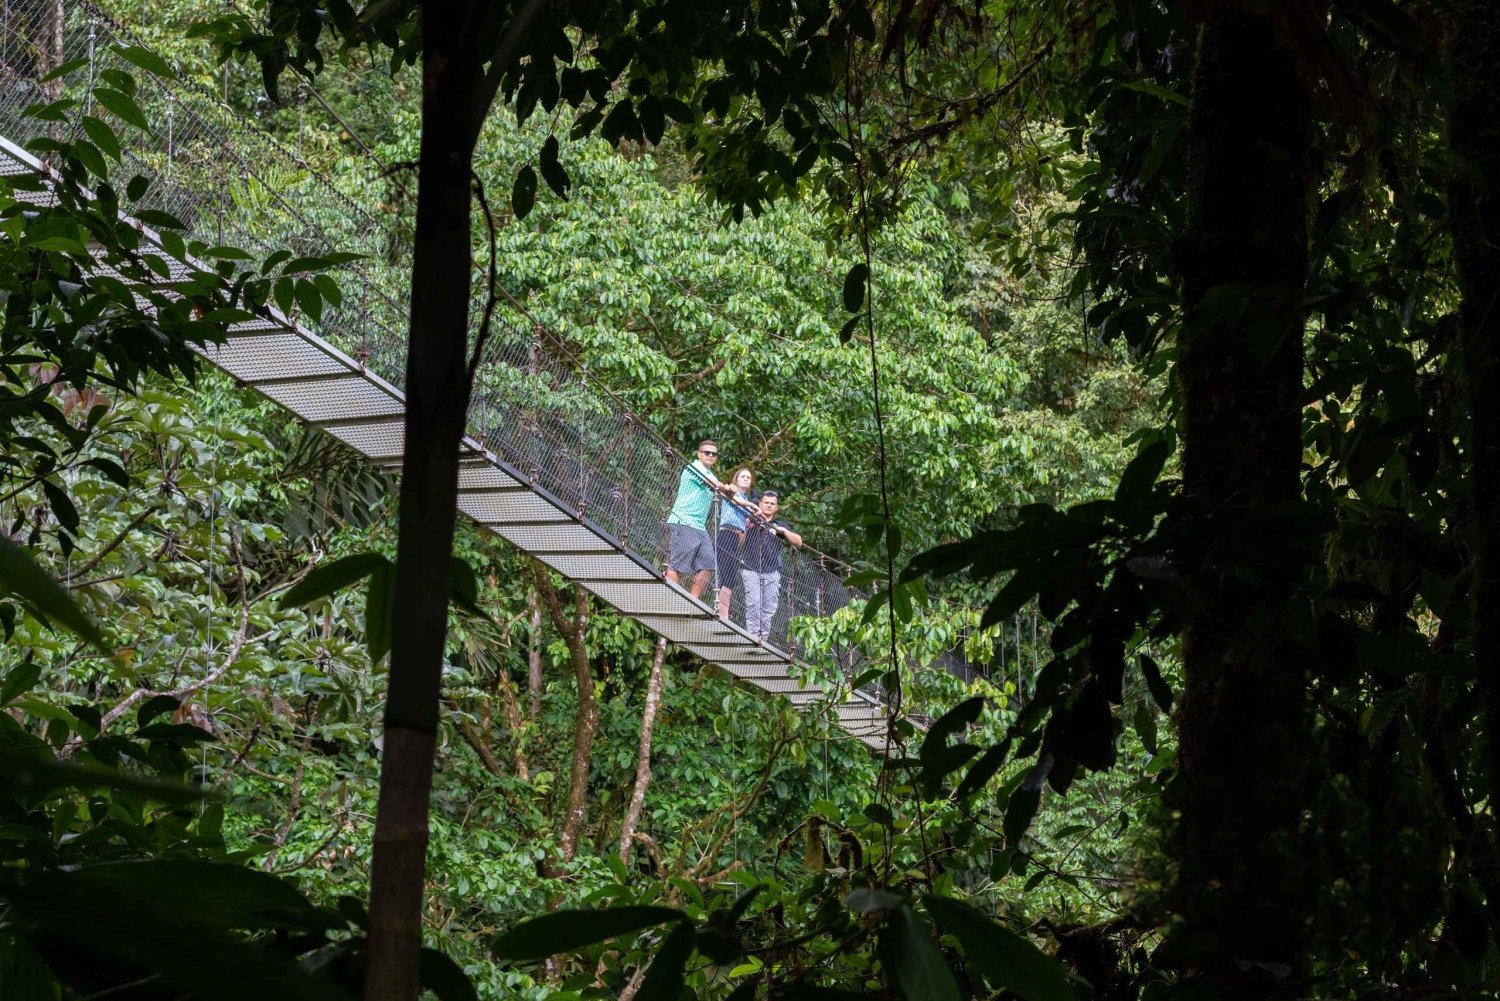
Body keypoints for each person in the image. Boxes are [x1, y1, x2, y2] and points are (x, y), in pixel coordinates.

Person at [665, 439, 737, 600]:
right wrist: (727, 487)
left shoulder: (711, 474)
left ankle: (692, 601)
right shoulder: (694, 467)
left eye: (714, 454)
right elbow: (714, 484)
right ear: (699, 454)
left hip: (698, 526)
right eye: (707, 452)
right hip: (683, 520)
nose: (711, 455)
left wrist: (733, 492)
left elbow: (726, 492)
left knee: (708, 563)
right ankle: (672, 600)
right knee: (677, 564)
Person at [740, 490, 802, 644]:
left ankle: (763, 642)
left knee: (768, 609)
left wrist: (783, 531)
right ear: (760, 504)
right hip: (750, 568)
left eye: (772, 504)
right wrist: (750, 520)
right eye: (766, 502)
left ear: (776, 508)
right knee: (754, 605)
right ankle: (752, 639)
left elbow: (798, 542)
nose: (768, 505)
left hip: (772, 571)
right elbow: (739, 537)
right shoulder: (753, 518)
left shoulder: (780, 525)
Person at [715, 467, 757, 621]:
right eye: (743, 476)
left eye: (748, 477)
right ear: (736, 479)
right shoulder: (732, 490)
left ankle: (722, 611)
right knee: (728, 575)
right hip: (727, 534)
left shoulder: (746, 499)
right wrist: (753, 507)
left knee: (730, 576)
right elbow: (734, 499)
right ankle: (722, 613)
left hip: (735, 539)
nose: (746, 479)